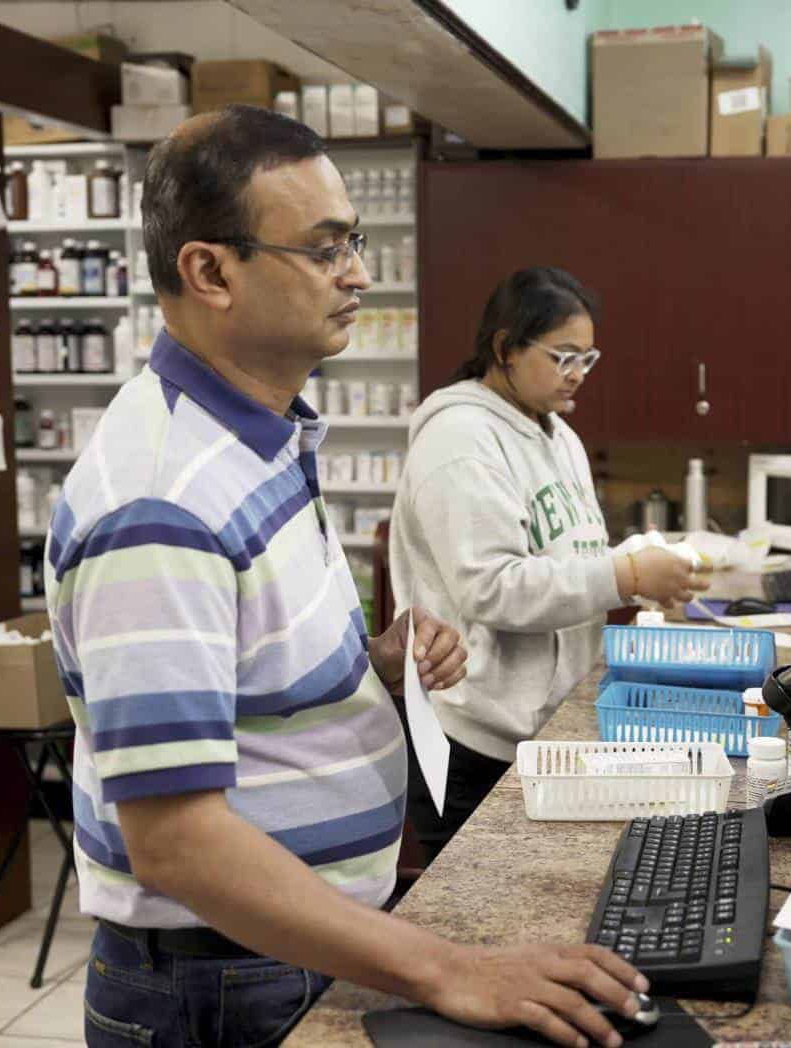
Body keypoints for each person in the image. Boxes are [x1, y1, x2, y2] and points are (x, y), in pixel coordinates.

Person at [46, 107, 648, 1048]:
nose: (359, 273)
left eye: (355, 242)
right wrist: (446, 965)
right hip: (222, 981)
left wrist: (372, 662)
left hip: (289, 948)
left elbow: (242, 686)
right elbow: (176, 840)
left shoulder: (262, 436)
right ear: (210, 271)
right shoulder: (160, 501)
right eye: (325, 249)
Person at [390, 267, 709, 861]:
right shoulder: (459, 440)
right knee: (473, 921)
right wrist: (627, 575)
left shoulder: (557, 434)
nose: (579, 374)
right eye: (563, 356)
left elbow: (572, 557)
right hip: (471, 736)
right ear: (505, 348)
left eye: (588, 357)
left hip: (542, 728)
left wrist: (640, 572)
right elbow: (493, 589)